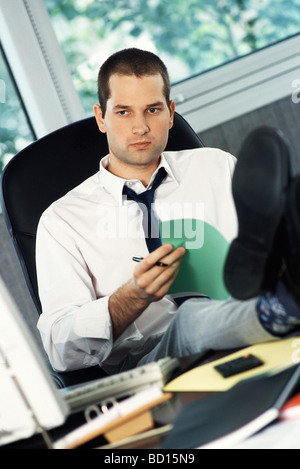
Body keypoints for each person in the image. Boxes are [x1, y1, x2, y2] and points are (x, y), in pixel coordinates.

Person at [36, 48, 300, 374]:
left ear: (171, 113)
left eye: (152, 109)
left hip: (240, 315)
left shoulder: (216, 166)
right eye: (123, 112)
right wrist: (133, 297)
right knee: (188, 317)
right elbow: (60, 349)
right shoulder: (62, 221)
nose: (140, 127)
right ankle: (283, 307)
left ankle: (282, 289)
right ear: (100, 117)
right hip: (149, 363)